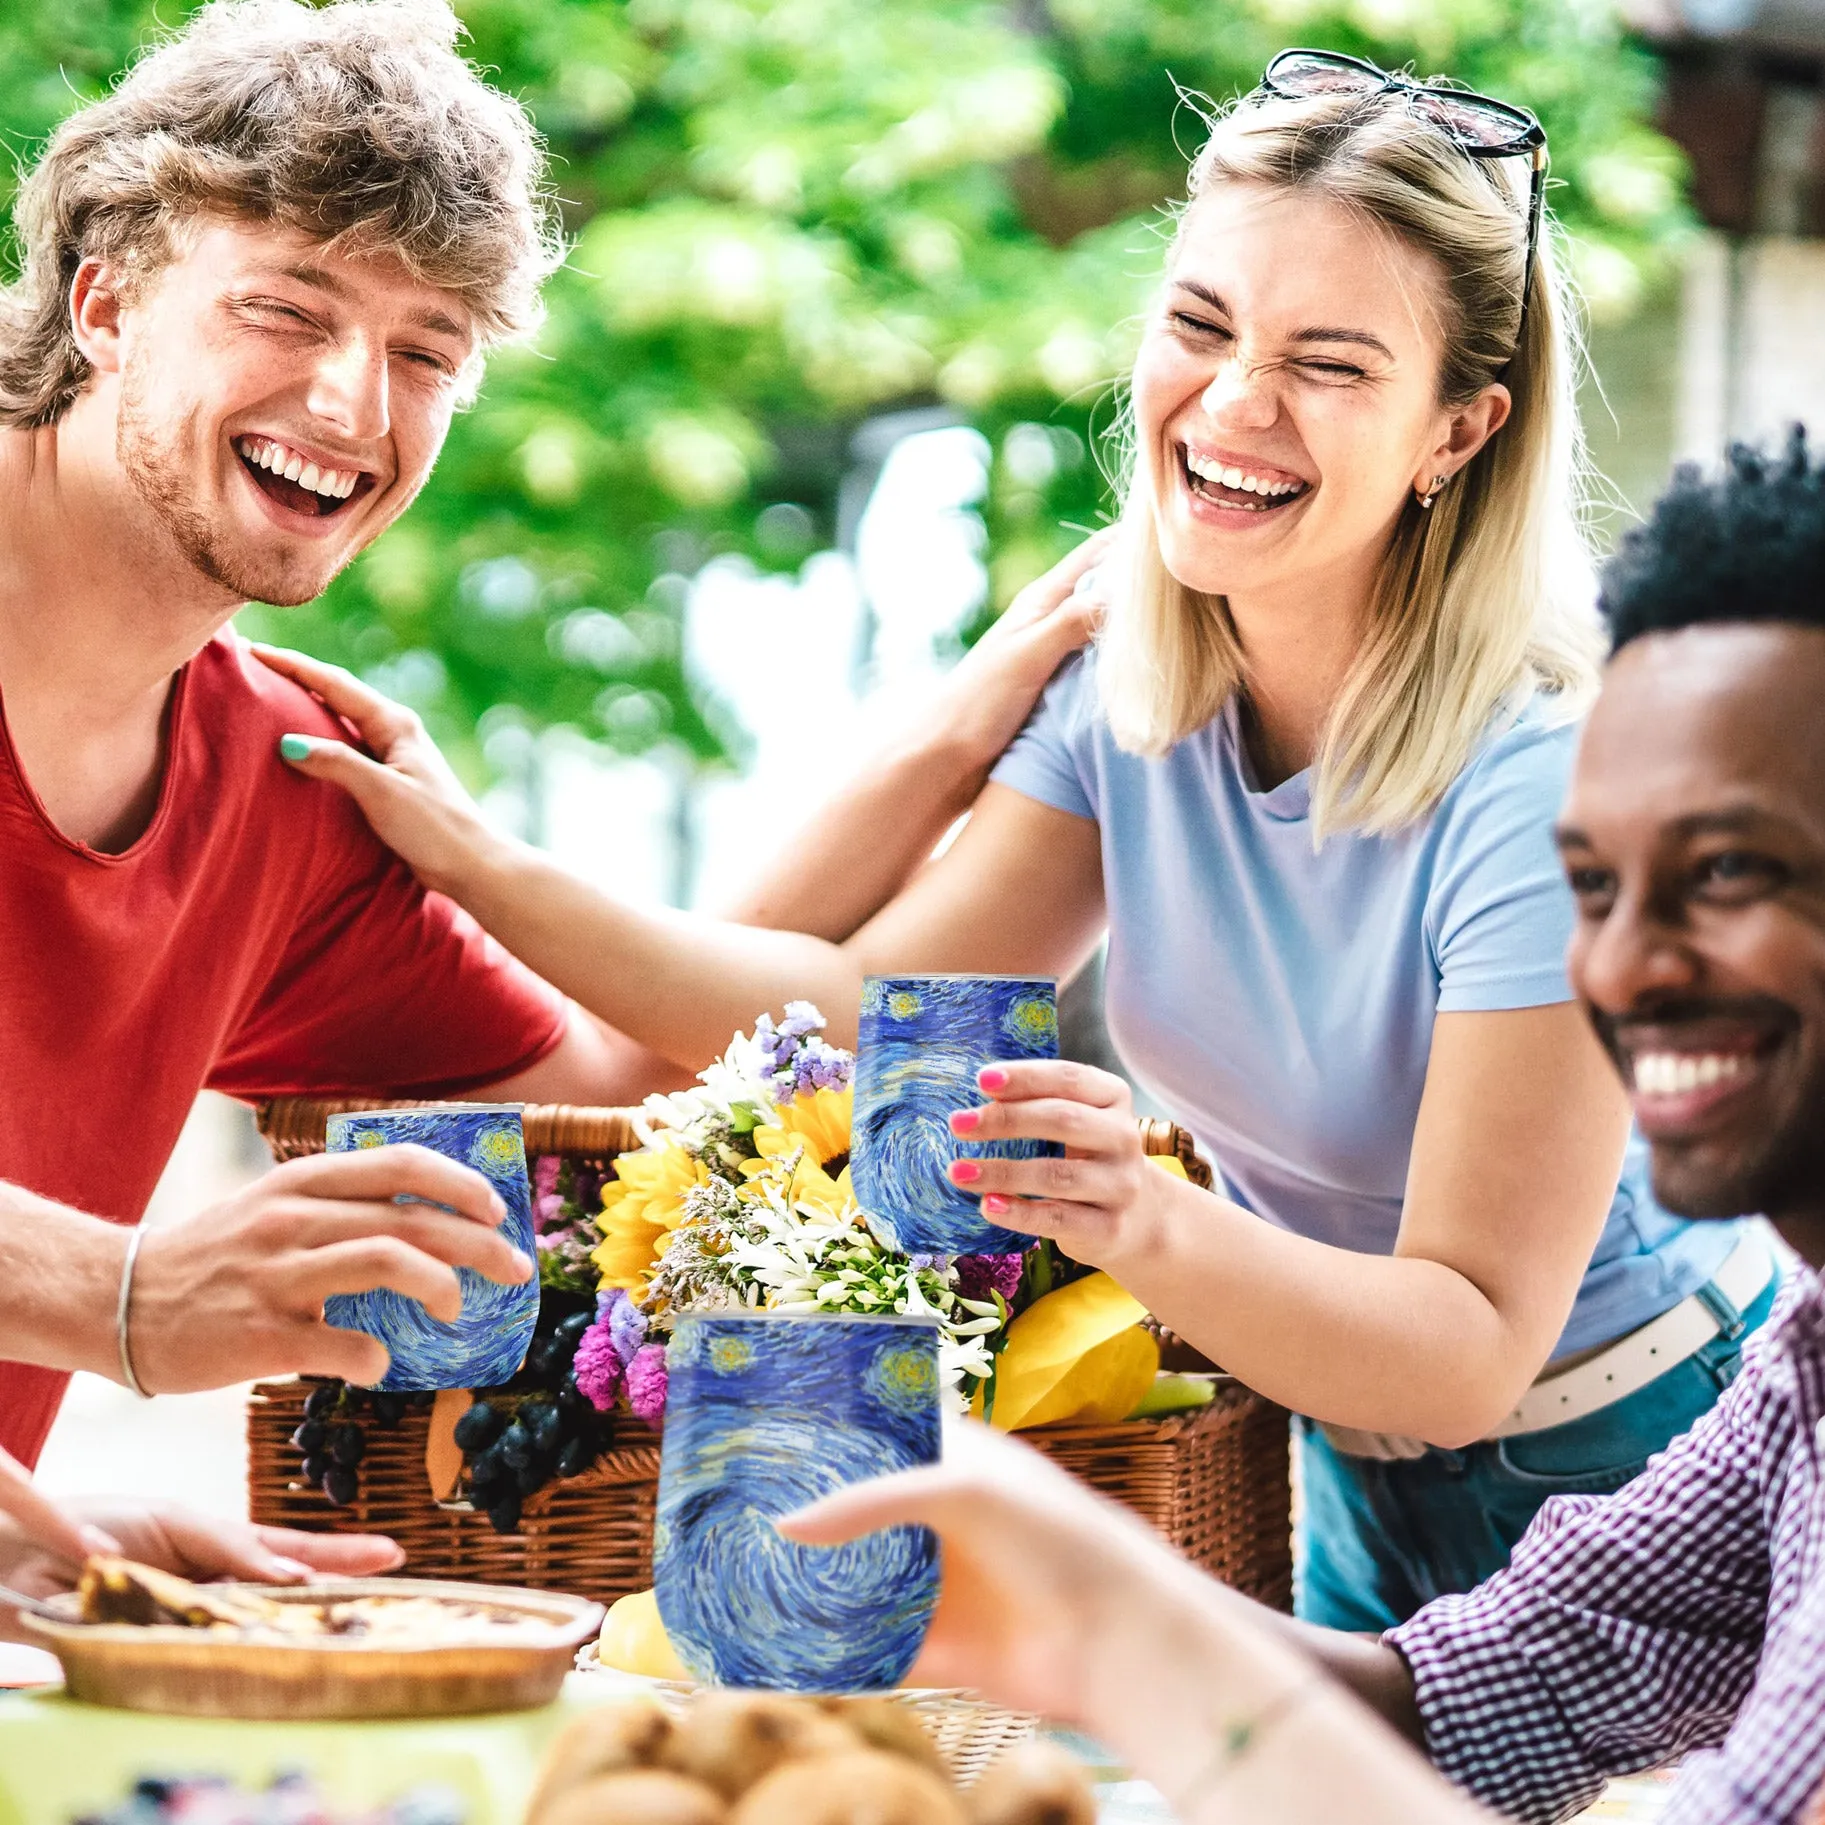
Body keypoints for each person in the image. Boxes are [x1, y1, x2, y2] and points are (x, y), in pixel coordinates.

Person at [275, 51, 1775, 1624]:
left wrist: (1135, 1209)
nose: (1236, 403)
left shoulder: (1534, 793)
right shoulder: (1143, 698)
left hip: (1644, 1468)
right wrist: (483, 855)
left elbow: (1467, 1349)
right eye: (1201, 326)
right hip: (1339, 1465)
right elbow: (816, 1020)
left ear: (1456, 434)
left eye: (1330, 366)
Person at [0, 0, 1092, 1476]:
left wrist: (950, 740)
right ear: (107, 305)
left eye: (424, 352)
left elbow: (625, 1079)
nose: (352, 403)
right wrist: (122, 1298)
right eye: (288, 309)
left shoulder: (290, 783)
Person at [780, 431, 1825, 1825]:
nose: (1623, 967)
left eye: (1729, 871)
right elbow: (1484, 1697)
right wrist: (1075, 1608)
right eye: (1592, 886)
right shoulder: (1799, 1386)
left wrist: (1110, 1624)